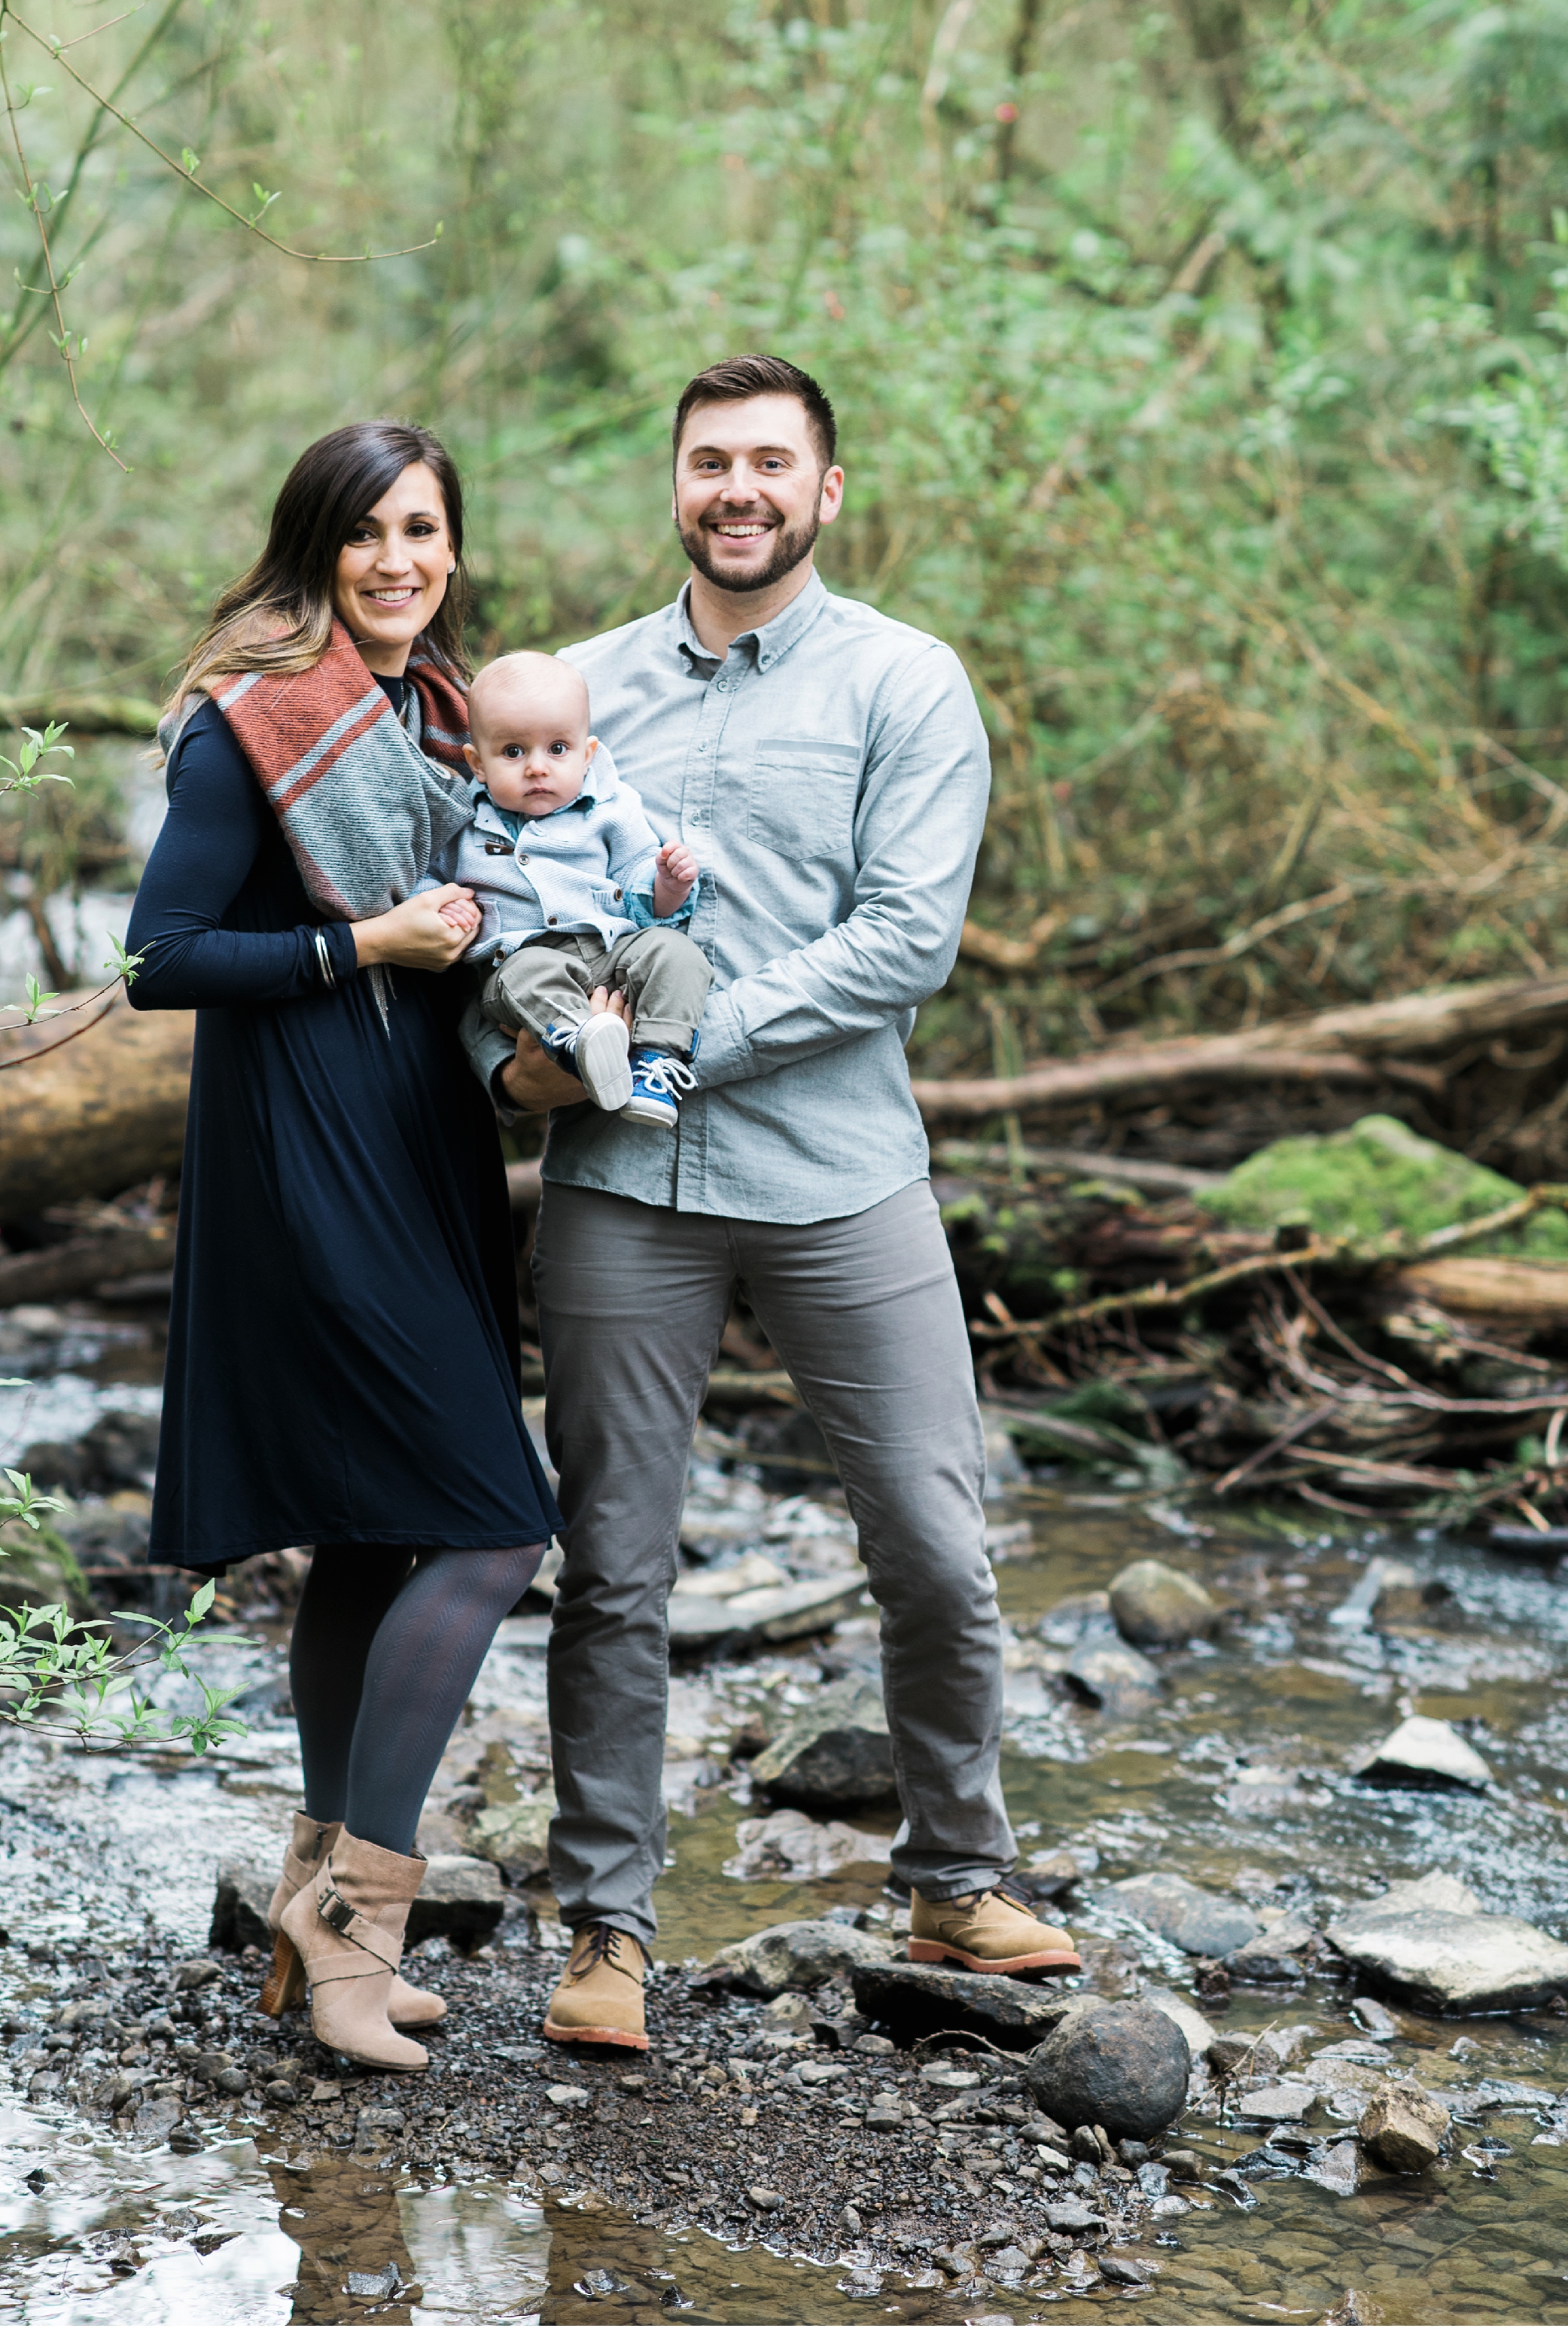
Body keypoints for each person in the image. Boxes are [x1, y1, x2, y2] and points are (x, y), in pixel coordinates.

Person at [473, 354, 1081, 2053]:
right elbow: (492, 900)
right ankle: (604, 1930)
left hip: (838, 1182)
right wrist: (528, 1061)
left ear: (824, 492)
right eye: (705, 464)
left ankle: (956, 1874)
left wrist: (665, 1043)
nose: (734, 490)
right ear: (672, 486)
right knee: (609, 1568)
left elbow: (905, 941)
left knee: (937, 1549)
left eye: (766, 465)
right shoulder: (573, 693)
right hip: (622, 1194)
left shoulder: (907, 681)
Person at [127, 419, 556, 2077]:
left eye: (425, 532)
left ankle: (313, 1889)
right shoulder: (254, 722)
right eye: (368, 534)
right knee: (492, 1522)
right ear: (313, 550)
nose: (399, 561)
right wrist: (361, 940)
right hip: (307, 1150)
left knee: (376, 1539)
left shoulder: (439, 721)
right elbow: (162, 958)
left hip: (420, 1139)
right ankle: (360, 1924)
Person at [425, 648, 709, 1127]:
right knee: (527, 973)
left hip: (612, 951)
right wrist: (440, 907)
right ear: (477, 762)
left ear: (587, 754)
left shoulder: (612, 811)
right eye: (513, 752)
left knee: (675, 951)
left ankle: (659, 1061)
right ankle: (580, 1043)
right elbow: (423, 877)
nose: (537, 767)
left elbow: (639, 887)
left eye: (558, 749)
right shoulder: (462, 822)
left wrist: (668, 886)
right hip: (523, 962)